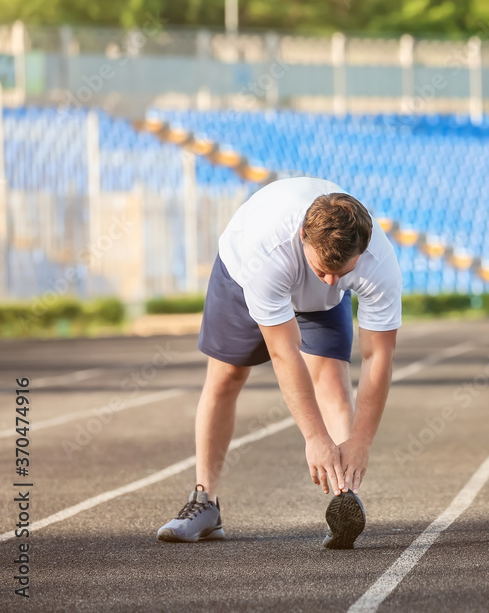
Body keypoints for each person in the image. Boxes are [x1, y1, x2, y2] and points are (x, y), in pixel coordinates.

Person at [156, 176, 402, 549]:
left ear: (363, 251)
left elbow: (378, 355)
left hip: (307, 282)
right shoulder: (266, 252)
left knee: (332, 379)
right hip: (242, 275)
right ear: (304, 235)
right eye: (323, 272)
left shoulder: (378, 263)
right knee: (226, 377)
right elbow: (284, 353)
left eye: (344, 273)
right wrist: (315, 437)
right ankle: (205, 503)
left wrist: (361, 441)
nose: (333, 281)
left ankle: (343, 497)